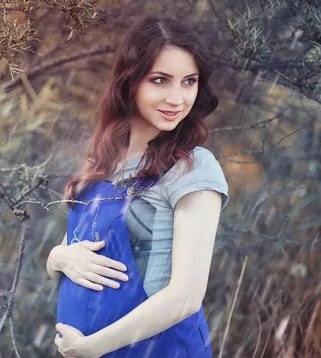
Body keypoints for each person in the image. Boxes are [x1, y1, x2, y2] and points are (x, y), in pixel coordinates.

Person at [47, 16, 230, 358]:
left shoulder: (192, 167)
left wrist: (91, 347)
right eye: (160, 80)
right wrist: (59, 257)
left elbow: (185, 297)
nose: (177, 98)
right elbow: (68, 250)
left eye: (188, 82)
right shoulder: (104, 160)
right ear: (130, 82)